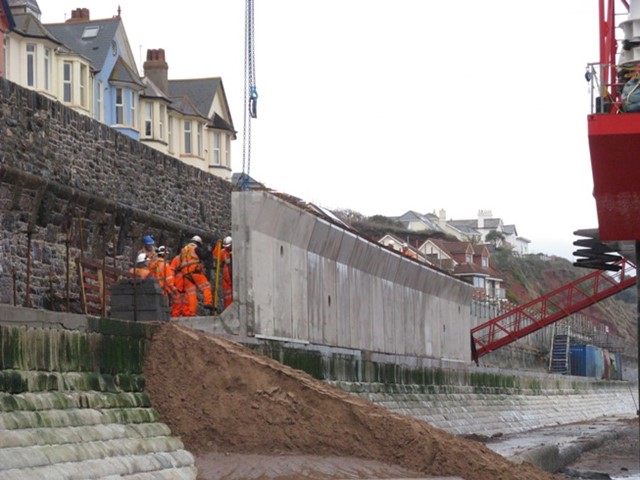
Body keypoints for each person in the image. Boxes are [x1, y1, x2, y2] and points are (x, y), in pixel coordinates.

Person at [172, 235, 214, 317]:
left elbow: (178, 262)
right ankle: (208, 302)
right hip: (195, 272)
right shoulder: (195, 248)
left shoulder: (183, 250)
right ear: (198, 242)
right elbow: (204, 256)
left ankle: (191, 313)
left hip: (186, 275)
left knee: (191, 294)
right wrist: (209, 251)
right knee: (206, 286)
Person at [212, 235, 233, 311]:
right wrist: (218, 246)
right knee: (228, 299)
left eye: (229, 246)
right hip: (227, 280)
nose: (227, 248)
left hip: (234, 279)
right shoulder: (222, 252)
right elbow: (215, 257)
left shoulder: (237, 251)